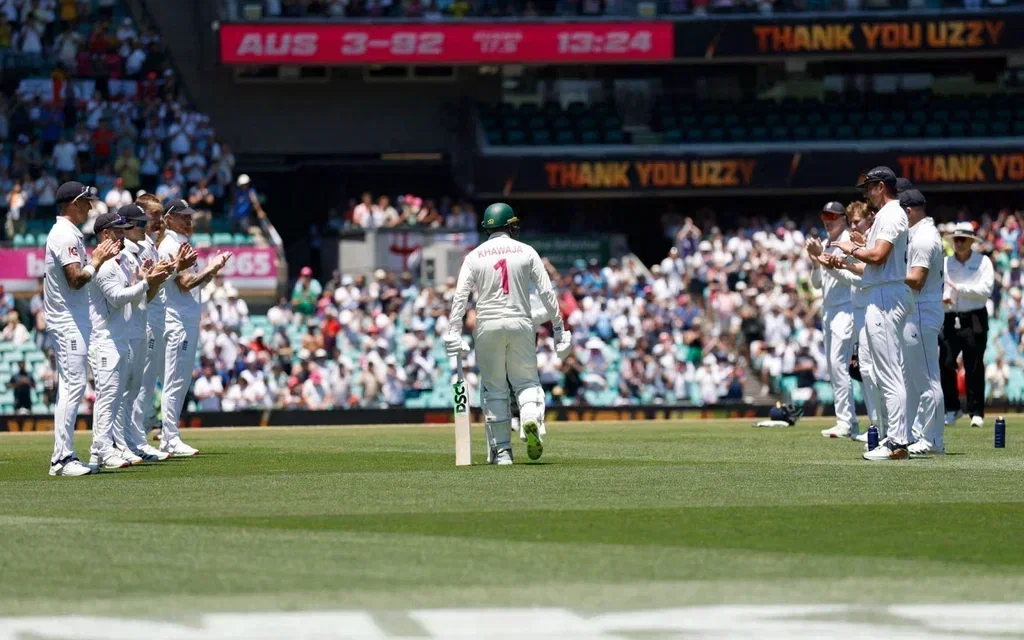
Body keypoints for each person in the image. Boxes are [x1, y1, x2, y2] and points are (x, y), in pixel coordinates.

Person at [444, 203, 571, 465]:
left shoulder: (474, 256)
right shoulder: (527, 251)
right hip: (520, 322)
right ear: (509, 225)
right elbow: (547, 293)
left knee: (494, 388)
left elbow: (460, 296)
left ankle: (502, 452)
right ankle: (530, 420)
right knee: (526, 382)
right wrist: (559, 328)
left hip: (487, 325)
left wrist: (454, 331)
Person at [833, 166, 912, 461]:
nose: (866, 194)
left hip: (886, 293)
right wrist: (857, 247)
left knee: (889, 372)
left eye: (869, 188)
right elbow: (874, 259)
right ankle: (895, 436)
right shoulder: (886, 215)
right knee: (883, 371)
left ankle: (898, 440)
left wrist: (851, 249)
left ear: (881, 186)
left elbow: (879, 257)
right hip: (882, 290)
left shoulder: (891, 214)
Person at [88, 211, 173, 470]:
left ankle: (107, 449)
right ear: (105, 234)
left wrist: (145, 279)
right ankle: (104, 449)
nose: (123, 235)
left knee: (118, 395)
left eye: (124, 230)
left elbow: (136, 298)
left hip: (119, 337)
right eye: (118, 231)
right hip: (105, 338)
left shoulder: (118, 262)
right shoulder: (104, 265)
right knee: (109, 395)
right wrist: (146, 283)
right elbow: (117, 298)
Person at [45, 181, 120, 477]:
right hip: (67, 320)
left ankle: (65, 456)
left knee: (73, 385)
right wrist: (98, 261)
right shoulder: (64, 234)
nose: (90, 206)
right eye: (86, 201)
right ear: (73, 204)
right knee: (72, 386)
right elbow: (76, 279)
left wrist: (99, 262)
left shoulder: (69, 233)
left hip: (73, 318)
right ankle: (61, 459)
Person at [158, 199, 232, 456]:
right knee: (175, 379)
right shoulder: (171, 245)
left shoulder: (181, 243)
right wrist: (213, 269)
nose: (189, 220)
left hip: (186, 318)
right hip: (177, 319)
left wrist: (212, 269)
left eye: (189, 215)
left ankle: (169, 435)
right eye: (182, 216)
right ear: (168, 219)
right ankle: (169, 438)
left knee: (180, 379)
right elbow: (185, 283)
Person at [115, 203, 177, 462]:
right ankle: (119, 445)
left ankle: (132, 441)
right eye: (142, 223)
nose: (148, 226)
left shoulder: (140, 248)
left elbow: (148, 293)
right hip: (128, 326)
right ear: (127, 227)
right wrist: (148, 280)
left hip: (140, 322)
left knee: (135, 386)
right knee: (124, 389)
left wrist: (158, 277)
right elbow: (125, 294)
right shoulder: (124, 252)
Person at [898, 189, 946, 457]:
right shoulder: (919, 234)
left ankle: (929, 439)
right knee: (922, 379)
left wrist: (891, 275)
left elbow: (917, 280)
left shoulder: (924, 238)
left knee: (927, 380)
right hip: (918, 310)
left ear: (908, 211)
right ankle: (931, 439)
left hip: (921, 310)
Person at [806, 201, 859, 439]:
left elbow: (850, 277)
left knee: (839, 365)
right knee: (833, 367)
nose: (828, 220)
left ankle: (847, 422)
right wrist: (816, 260)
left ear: (843, 219)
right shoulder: (826, 243)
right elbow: (817, 283)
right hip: (829, 310)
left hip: (846, 308)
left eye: (833, 216)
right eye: (825, 216)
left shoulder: (848, 241)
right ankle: (846, 421)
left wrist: (823, 257)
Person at [941, 222, 994, 428]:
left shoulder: (983, 262)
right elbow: (939, 288)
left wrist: (959, 288)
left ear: (971, 241)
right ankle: (952, 408)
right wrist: (943, 298)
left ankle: (976, 411)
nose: (959, 243)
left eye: (963, 239)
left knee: (974, 364)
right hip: (950, 316)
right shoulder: (945, 263)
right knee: (945, 361)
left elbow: (986, 289)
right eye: (956, 239)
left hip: (974, 318)